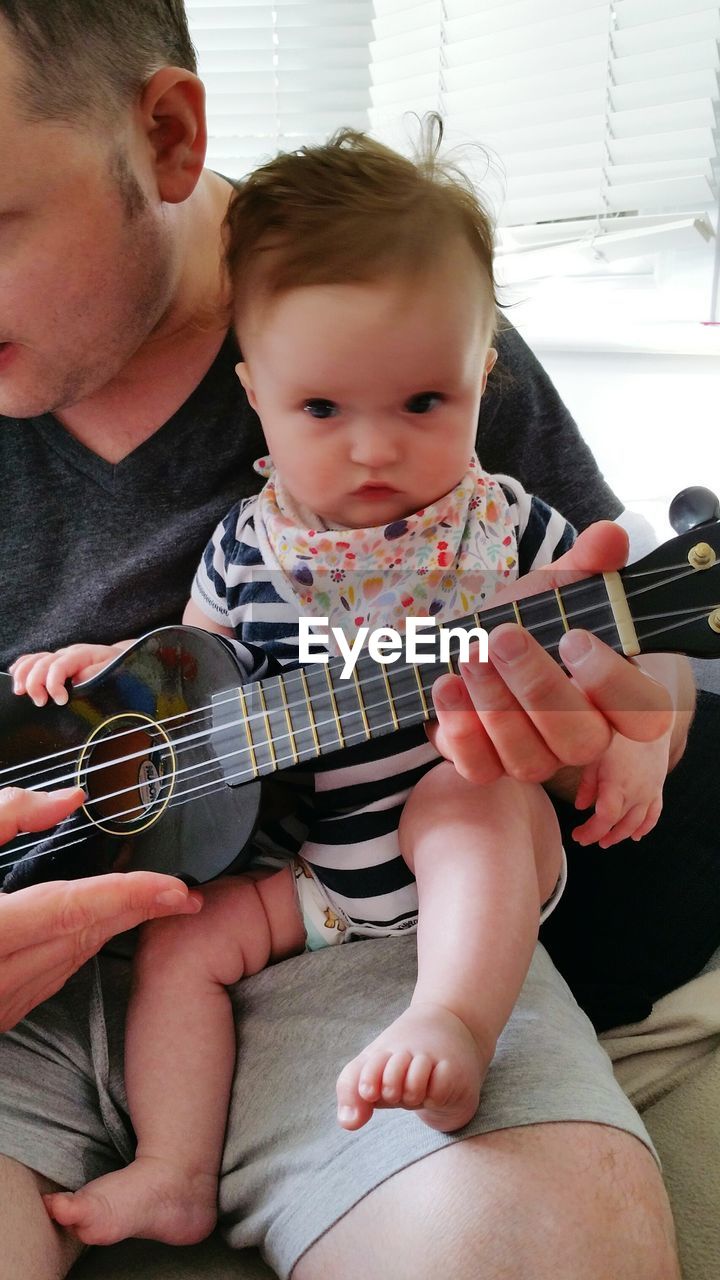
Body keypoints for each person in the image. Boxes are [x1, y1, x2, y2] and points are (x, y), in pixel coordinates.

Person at [0, 3, 701, 1278]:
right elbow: (190, 645)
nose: (375, 444)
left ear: (164, 131)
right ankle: (169, 1168)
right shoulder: (252, 542)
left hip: (361, 923)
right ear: (262, 400)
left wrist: (622, 727)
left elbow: (628, 627)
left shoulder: (400, 312)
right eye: (321, 411)